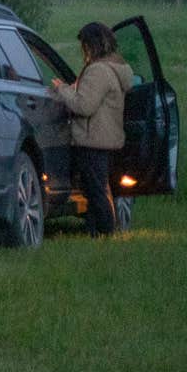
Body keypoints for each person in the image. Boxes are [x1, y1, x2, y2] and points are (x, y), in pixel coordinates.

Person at [48, 22, 132, 236]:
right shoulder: (116, 68)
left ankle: (106, 231)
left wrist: (62, 89)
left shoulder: (98, 71)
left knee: (95, 191)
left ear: (90, 45)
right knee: (98, 189)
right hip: (107, 139)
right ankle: (95, 233)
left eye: (84, 45)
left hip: (92, 140)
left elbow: (83, 106)